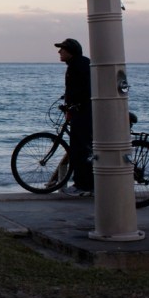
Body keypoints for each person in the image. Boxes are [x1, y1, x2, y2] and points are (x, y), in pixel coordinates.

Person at [55, 38, 94, 196]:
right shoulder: (81, 64)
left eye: (62, 49)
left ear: (70, 51)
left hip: (83, 113)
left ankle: (82, 185)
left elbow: (83, 89)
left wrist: (73, 104)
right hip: (85, 111)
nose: (59, 52)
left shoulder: (76, 66)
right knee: (83, 149)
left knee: (80, 150)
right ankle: (89, 184)